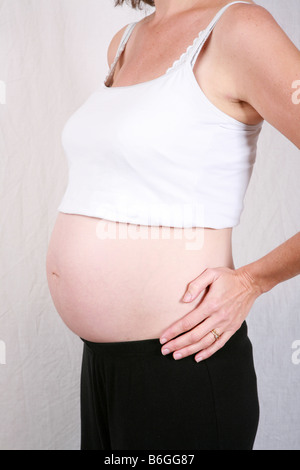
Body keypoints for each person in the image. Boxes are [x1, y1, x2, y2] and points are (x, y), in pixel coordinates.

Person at [46, 0, 300, 450]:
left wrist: (253, 281)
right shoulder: (124, 42)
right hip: (102, 367)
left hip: (182, 360)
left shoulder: (240, 28)